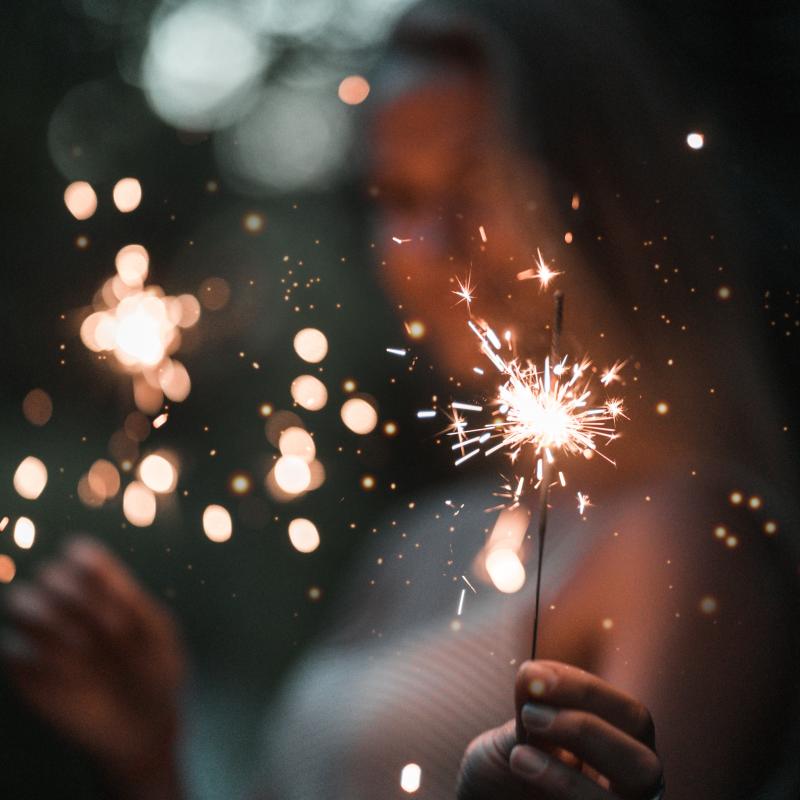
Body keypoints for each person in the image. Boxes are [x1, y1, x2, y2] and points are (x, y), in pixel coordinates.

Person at [3, 1, 798, 798]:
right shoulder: (415, 541)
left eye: (477, 186)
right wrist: (150, 757)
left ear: (593, 198)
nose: (424, 247)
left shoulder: (694, 538)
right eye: (399, 197)